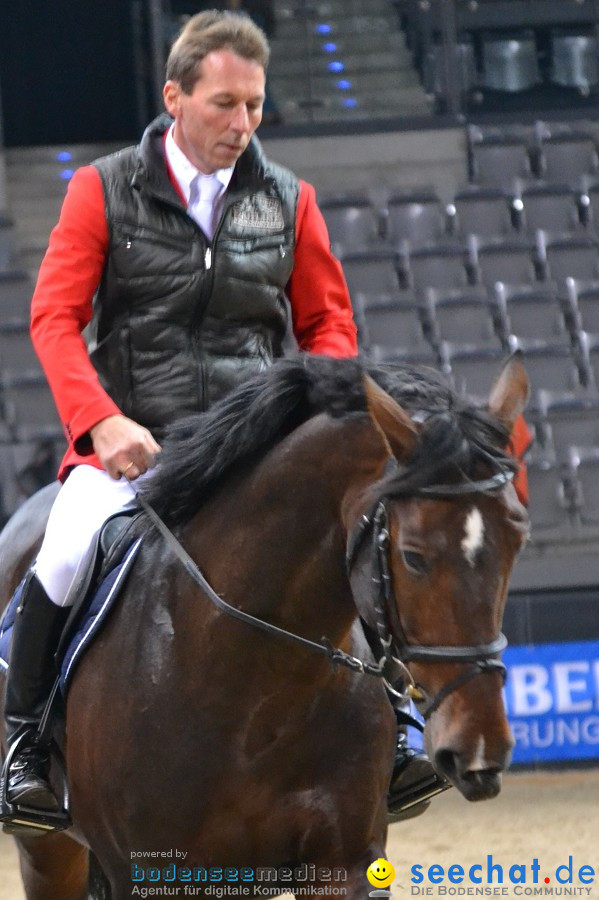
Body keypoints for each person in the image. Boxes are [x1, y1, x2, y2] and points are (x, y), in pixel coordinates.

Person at [0, 9, 441, 834]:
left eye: (255, 107)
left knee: (349, 537)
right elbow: (54, 318)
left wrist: (312, 407)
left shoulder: (288, 199)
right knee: (61, 550)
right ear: (175, 97)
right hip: (135, 445)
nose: (243, 125)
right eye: (224, 105)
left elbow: (328, 327)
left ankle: (397, 722)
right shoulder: (99, 189)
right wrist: (100, 423)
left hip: (252, 445)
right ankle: (24, 748)